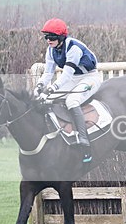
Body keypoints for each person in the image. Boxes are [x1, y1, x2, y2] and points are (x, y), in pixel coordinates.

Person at [35, 18, 102, 163]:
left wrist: (52, 88)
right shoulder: (50, 50)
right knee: (46, 100)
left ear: (60, 37)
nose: (48, 40)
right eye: (46, 37)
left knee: (72, 101)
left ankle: (84, 140)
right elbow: (48, 73)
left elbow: (67, 74)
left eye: (52, 37)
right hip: (73, 79)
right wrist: (40, 86)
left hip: (89, 77)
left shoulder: (74, 48)